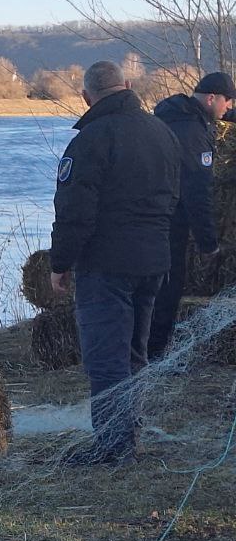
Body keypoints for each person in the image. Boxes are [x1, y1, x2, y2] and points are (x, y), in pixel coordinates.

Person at [49, 61, 180, 465]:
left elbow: (74, 209)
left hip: (106, 264)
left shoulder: (91, 138)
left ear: (87, 97)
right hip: (154, 259)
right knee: (134, 353)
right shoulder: (162, 131)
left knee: (106, 358)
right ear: (126, 86)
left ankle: (111, 447)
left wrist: (60, 262)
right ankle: (129, 434)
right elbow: (177, 196)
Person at [147, 71, 234, 359]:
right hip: (170, 222)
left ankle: (140, 352)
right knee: (168, 291)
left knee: (148, 289)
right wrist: (208, 243)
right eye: (228, 102)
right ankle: (154, 357)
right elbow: (197, 192)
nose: (229, 109)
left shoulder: (170, 115)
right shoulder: (194, 134)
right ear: (212, 98)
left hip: (146, 218)